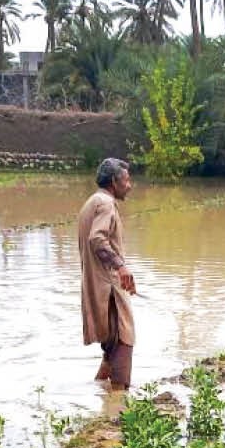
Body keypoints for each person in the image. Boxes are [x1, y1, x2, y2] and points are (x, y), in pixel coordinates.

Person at [78, 158, 138, 390]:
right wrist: (120, 267)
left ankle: (102, 393)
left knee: (111, 345)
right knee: (125, 338)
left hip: (96, 286)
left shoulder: (91, 202)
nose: (129, 185)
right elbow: (97, 239)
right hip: (109, 287)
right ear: (114, 181)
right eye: (126, 180)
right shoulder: (106, 204)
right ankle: (119, 400)